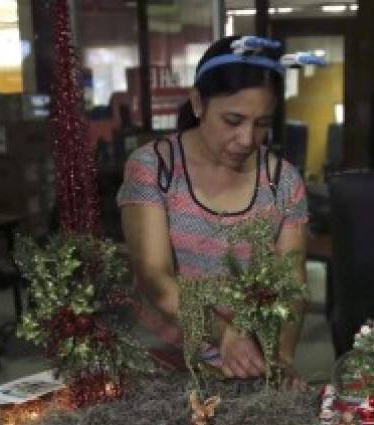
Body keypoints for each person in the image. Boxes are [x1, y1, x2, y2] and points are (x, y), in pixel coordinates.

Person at [119, 36, 309, 387]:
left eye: (262, 123)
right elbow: (155, 280)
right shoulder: (155, 168)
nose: (247, 139)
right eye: (233, 120)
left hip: (245, 361)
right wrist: (223, 334)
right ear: (197, 102)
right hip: (162, 359)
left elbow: (292, 283)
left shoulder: (282, 182)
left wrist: (280, 357)